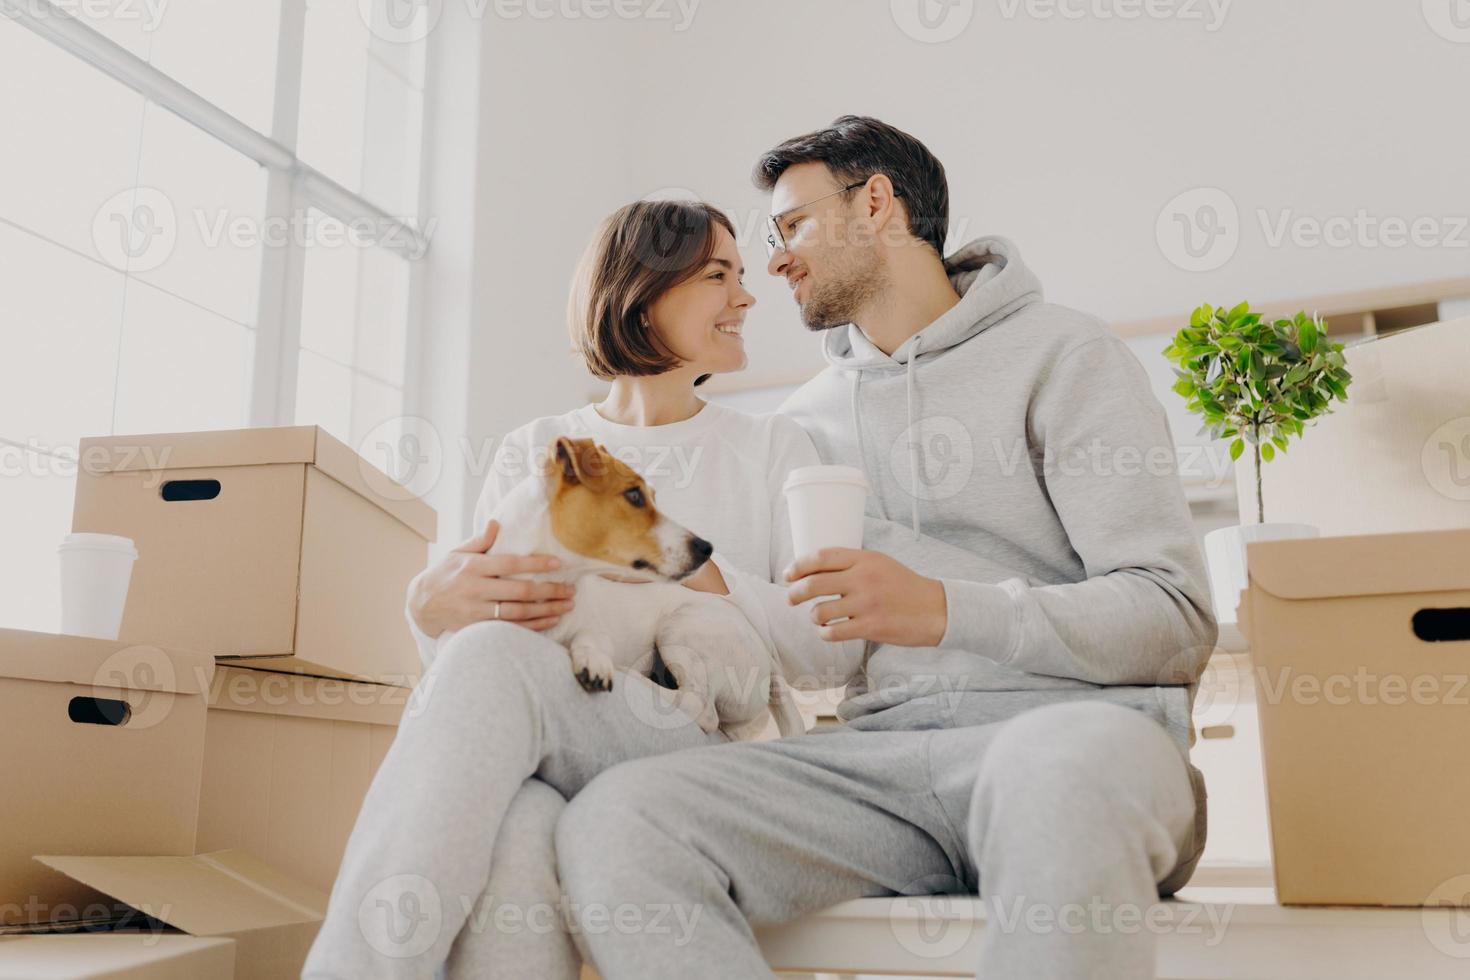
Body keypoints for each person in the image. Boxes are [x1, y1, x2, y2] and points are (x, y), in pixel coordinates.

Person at [553, 115, 1218, 979]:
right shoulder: (797, 427)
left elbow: (1173, 619)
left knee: (1054, 769)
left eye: (792, 226)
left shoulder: (1067, 355)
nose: (778, 261)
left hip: (1079, 743)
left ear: (876, 205)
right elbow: (804, 651)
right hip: (879, 768)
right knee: (619, 820)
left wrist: (942, 610)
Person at [301, 200, 862, 979]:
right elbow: (476, 656)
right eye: (717, 275)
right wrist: (429, 613)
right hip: (563, 721)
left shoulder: (774, 447)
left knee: (503, 709)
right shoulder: (537, 450)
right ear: (643, 291)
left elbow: (820, 654)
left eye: (741, 275)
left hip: (703, 738)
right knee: (521, 823)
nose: (746, 295)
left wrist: (684, 561)